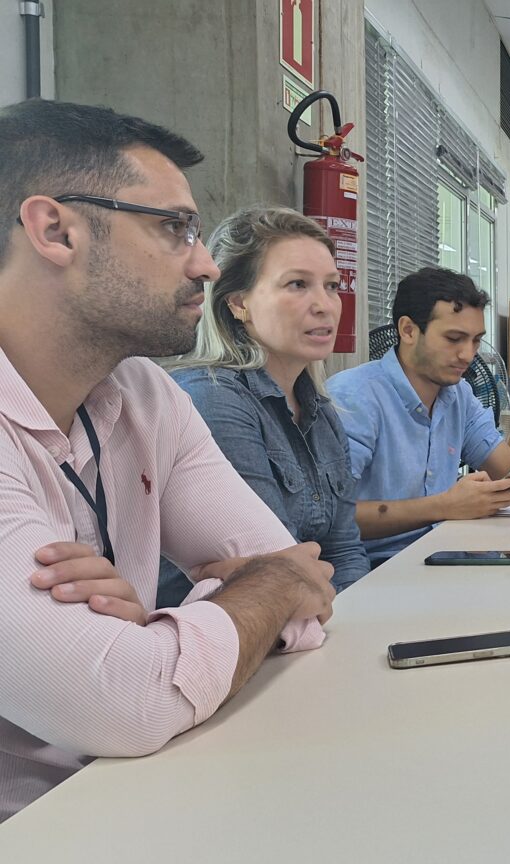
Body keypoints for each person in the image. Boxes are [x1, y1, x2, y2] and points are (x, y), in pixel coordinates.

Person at [0, 100, 333, 821]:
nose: (206, 263)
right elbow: (131, 701)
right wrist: (243, 601)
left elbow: (303, 587)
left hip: (147, 794)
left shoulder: (144, 393)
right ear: (55, 230)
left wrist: (152, 633)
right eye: (174, 228)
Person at [158, 206, 370, 606]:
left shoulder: (322, 413)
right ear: (239, 303)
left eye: (332, 285)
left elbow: (345, 552)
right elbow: (271, 566)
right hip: (227, 643)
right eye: (297, 285)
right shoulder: (212, 399)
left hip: (313, 625)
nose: (325, 305)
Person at [327, 268, 510, 567]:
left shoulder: (459, 394)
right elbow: (332, 518)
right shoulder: (353, 397)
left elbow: (509, 473)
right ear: (408, 330)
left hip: (445, 551)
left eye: (475, 340)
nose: (467, 355)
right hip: (374, 569)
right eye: (454, 338)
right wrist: (444, 506)